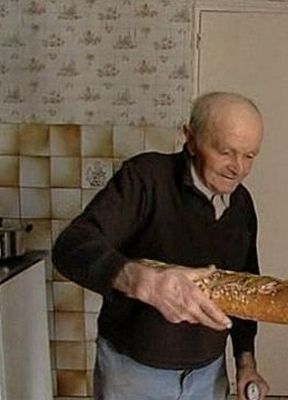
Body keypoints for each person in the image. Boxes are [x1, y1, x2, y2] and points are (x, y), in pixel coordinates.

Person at [52, 92, 270, 400]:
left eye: (250, 156)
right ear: (190, 139)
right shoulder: (145, 178)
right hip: (133, 374)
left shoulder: (242, 202)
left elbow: (247, 285)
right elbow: (70, 245)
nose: (239, 168)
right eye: (226, 152)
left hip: (209, 374)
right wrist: (141, 280)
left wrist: (245, 361)